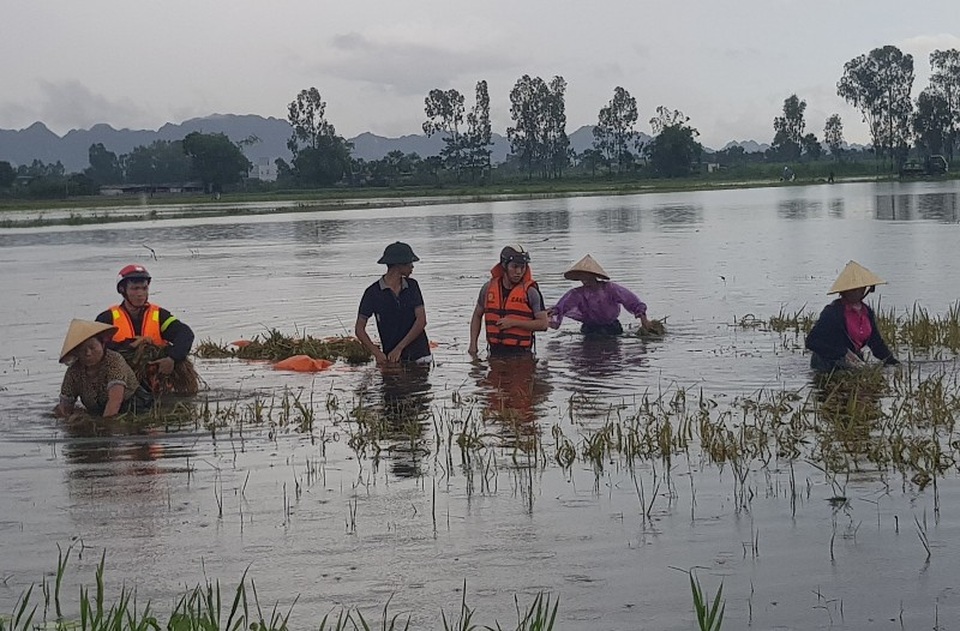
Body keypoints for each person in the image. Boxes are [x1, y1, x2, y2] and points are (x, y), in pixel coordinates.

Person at [95, 264, 196, 393]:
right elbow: (95, 348)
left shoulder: (159, 315)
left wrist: (172, 358)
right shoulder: (107, 318)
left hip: (155, 378)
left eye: (144, 288)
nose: (140, 294)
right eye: (135, 289)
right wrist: (131, 345)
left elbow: (185, 334)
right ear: (122, 290)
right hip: (119, 380)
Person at [805, 260, 900, 372]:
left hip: (854, 362)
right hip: (827, 365)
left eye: (860, 288)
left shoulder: (867, 312)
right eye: (852, 289)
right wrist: (843, 352)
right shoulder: (832, 313)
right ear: (844, 291)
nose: (856, 292)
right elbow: (812, 342)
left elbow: (876, 343)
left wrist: (893, 363)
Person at [55, 319, 151, 418]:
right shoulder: (73, 372)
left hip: (134, 407)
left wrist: (104, 426)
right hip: (98, 410)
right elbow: (64, 406)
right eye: (82, 350)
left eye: (92, 347)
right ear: (76, 353)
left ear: (102, 344)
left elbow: (115, 402)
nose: (88, 353)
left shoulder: (114, 360)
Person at [355, 242, 431, 365]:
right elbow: (359, 329)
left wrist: (400, 348)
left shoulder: (412, 286)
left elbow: (421, 320)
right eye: (409, 263)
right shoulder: (373, 293)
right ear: (398, 265)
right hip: (391, 358)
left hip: (420, 355)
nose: (412, 267)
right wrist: (376, 352)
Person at [468, 244, 549, 357]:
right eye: (515, 267)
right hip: (494, 352)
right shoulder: (488, 289)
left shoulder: (531, 292)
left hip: (522, 355)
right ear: (504, 266)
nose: (519, 272)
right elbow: (477, 315)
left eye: (522, 267)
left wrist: (514, 323)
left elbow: (543, 324)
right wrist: (473, 345)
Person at [549, 254, 652, 336]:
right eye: (582, 277)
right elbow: (562, 307)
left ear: (594, 276)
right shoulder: (577, 294)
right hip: (590, 329)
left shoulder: (610, 288)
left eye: (587, 276)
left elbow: (631, 301)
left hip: (612, 327)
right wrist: (551, 312)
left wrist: (643, 318)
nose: (584, 280)